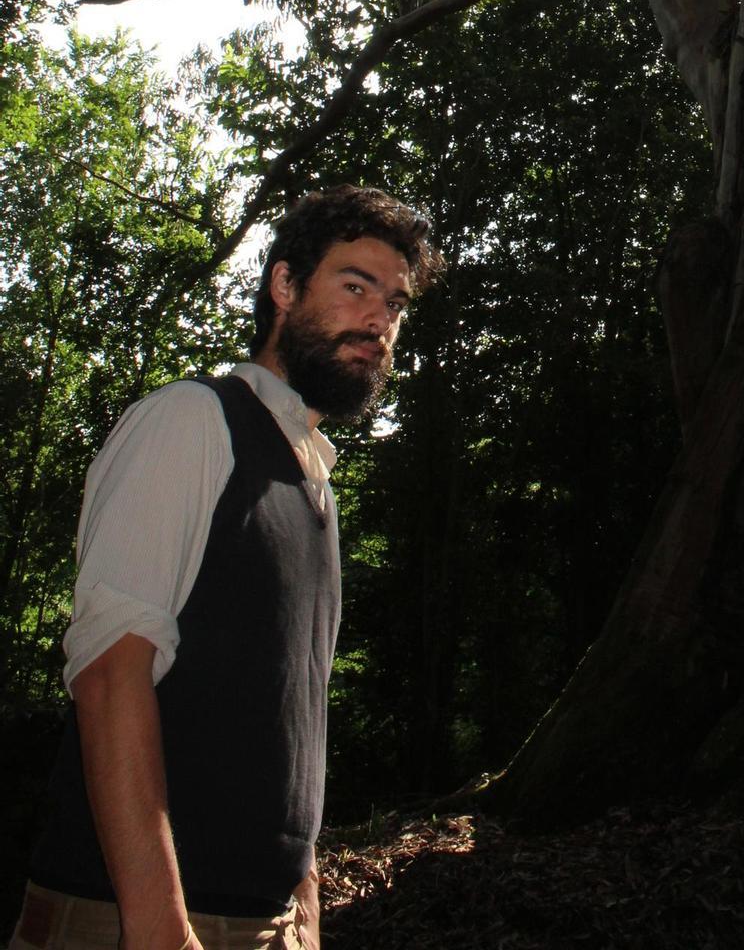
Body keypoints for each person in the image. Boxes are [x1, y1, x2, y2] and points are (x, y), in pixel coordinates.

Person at [11, 185, 442, 950]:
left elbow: (289, 717)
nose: (380, 319)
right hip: (136, 922)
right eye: (355, 286)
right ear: (284, 287)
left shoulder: (313, 484)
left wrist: (303, 903)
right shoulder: (192, 421)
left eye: (396, 302)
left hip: (267, 925)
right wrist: (161, 931)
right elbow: (111, 678)